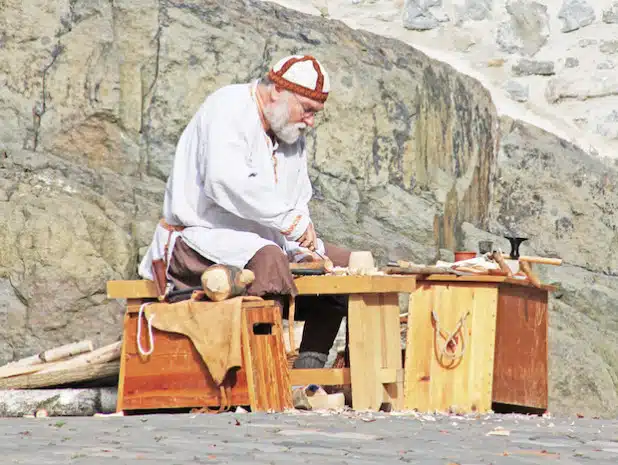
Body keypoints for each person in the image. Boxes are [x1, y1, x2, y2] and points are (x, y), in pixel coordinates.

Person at [138, 55, 349, 369]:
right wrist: (288, 223)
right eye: (306, 110)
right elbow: (224, 181)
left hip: (263, 243)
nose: (310, 121)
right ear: (277, 91)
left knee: (345, 268)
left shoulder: (290, 135)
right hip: (198, 239)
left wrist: (304, 251)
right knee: (269, 260)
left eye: (315, 114)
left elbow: (296, 203)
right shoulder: (227, 108)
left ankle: (309, 375)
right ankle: (263, 374)